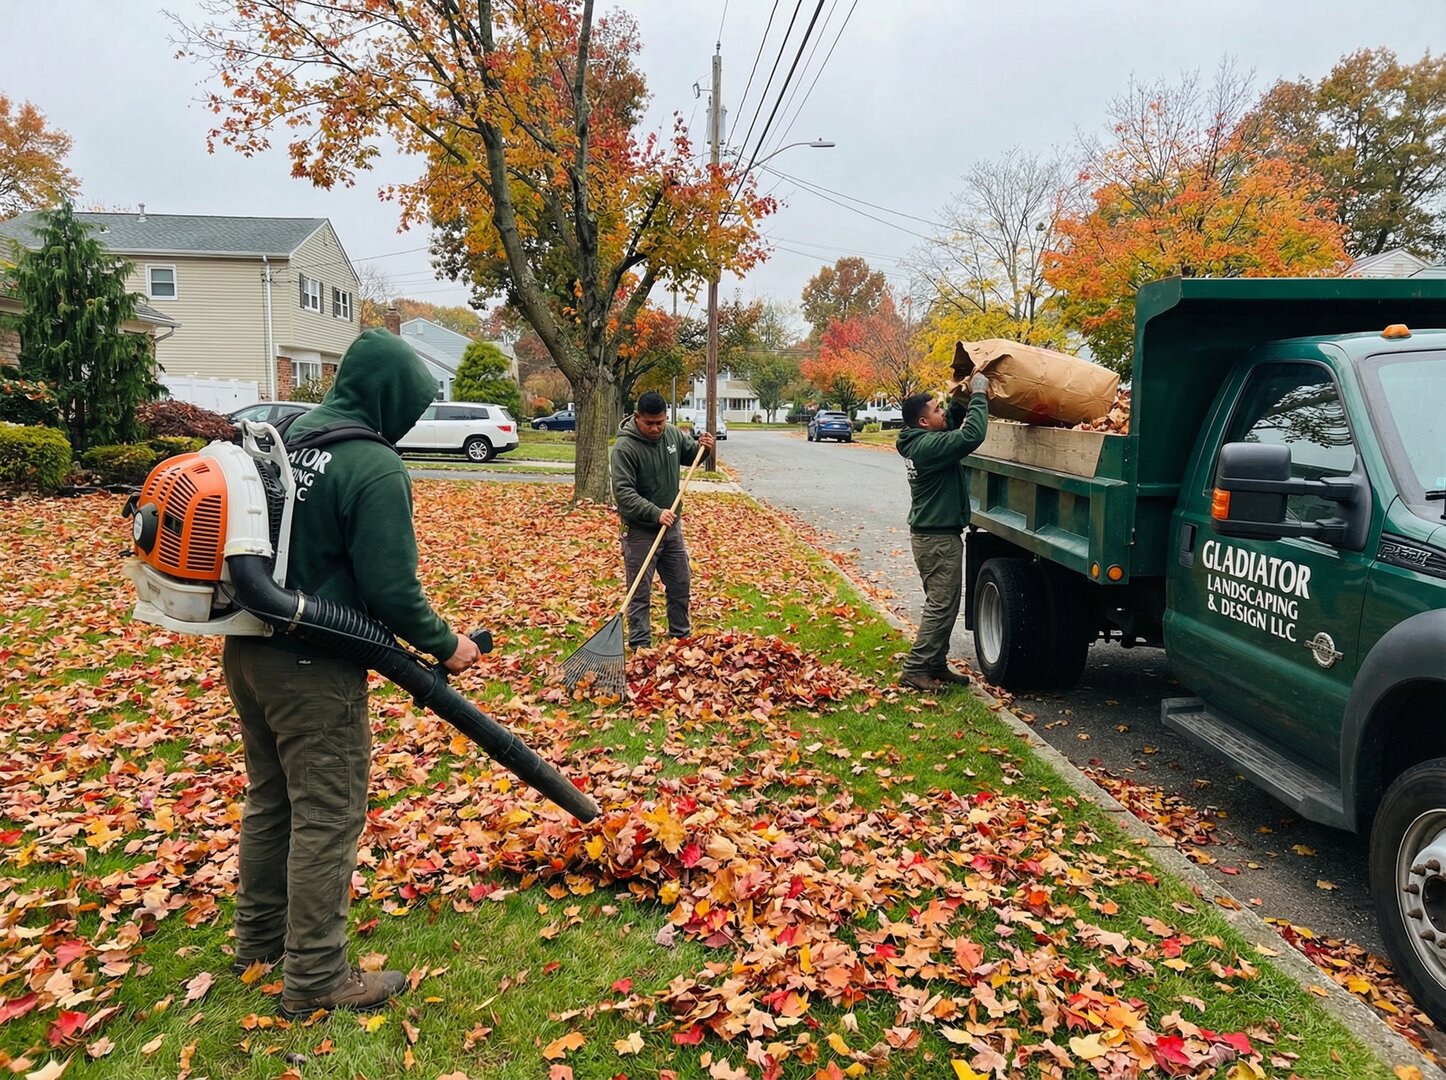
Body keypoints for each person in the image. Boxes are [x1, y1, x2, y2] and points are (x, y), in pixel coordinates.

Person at [222, 329, 481, 1018]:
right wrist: (447, 644)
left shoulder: (285, 438)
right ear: (388, 397)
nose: (410, 423)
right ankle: (316, 975)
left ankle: (258, 942)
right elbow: (391, 589)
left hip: (249, 650)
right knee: (327, 814)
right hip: (314, 665)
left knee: (271, 800)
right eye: (410, 408)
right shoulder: (372, 464)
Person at [894, 373, 991, 692]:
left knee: (945, 604)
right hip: (937, 539)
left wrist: (961, 397)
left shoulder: (919, 440)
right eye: (936, 410)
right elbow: (971, 436)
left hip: (932, 536)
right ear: (923, 422)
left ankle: (935, 663)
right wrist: (979, 395)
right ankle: (916, 668)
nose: (942, 413)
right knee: (941, 604)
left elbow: (951, 421)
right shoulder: (928, 447)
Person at [611, 391, 716, 649]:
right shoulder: (625, 448)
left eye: (660, 422)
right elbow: (624, 493)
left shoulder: (671, 434)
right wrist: (655, 513)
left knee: (680, 583)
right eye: (650, 423)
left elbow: (691, 456)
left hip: (672, 528)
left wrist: (704, 449)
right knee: (639, 591)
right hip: (640, 531)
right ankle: (640, 645)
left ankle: (680, 637)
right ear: (637, 417)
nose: (656, 428)